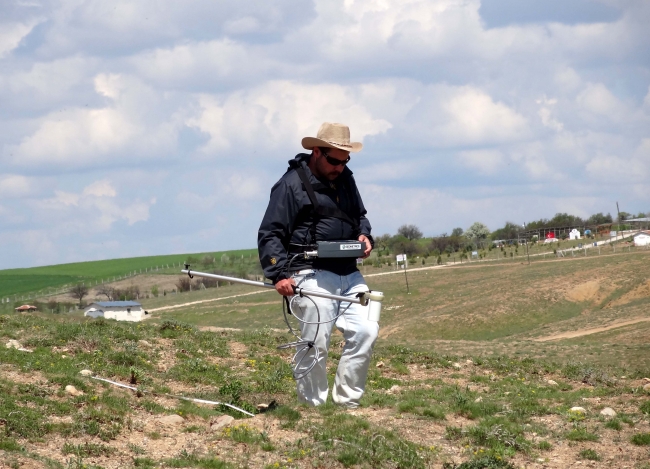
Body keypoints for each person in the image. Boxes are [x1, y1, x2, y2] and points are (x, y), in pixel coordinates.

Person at [258, 122, 378, 408]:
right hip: (306, 272)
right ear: (316, 152)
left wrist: (365, 235)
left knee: (366, 330)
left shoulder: (347, 180)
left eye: (344, 160)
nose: (339, 166)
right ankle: (312, 408)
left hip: (349, 272)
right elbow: (270, 233)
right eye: (333, 160)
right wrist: (278, 274)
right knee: (316, 336)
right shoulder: (290, 185)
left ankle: (347, 405)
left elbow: (359, 216)